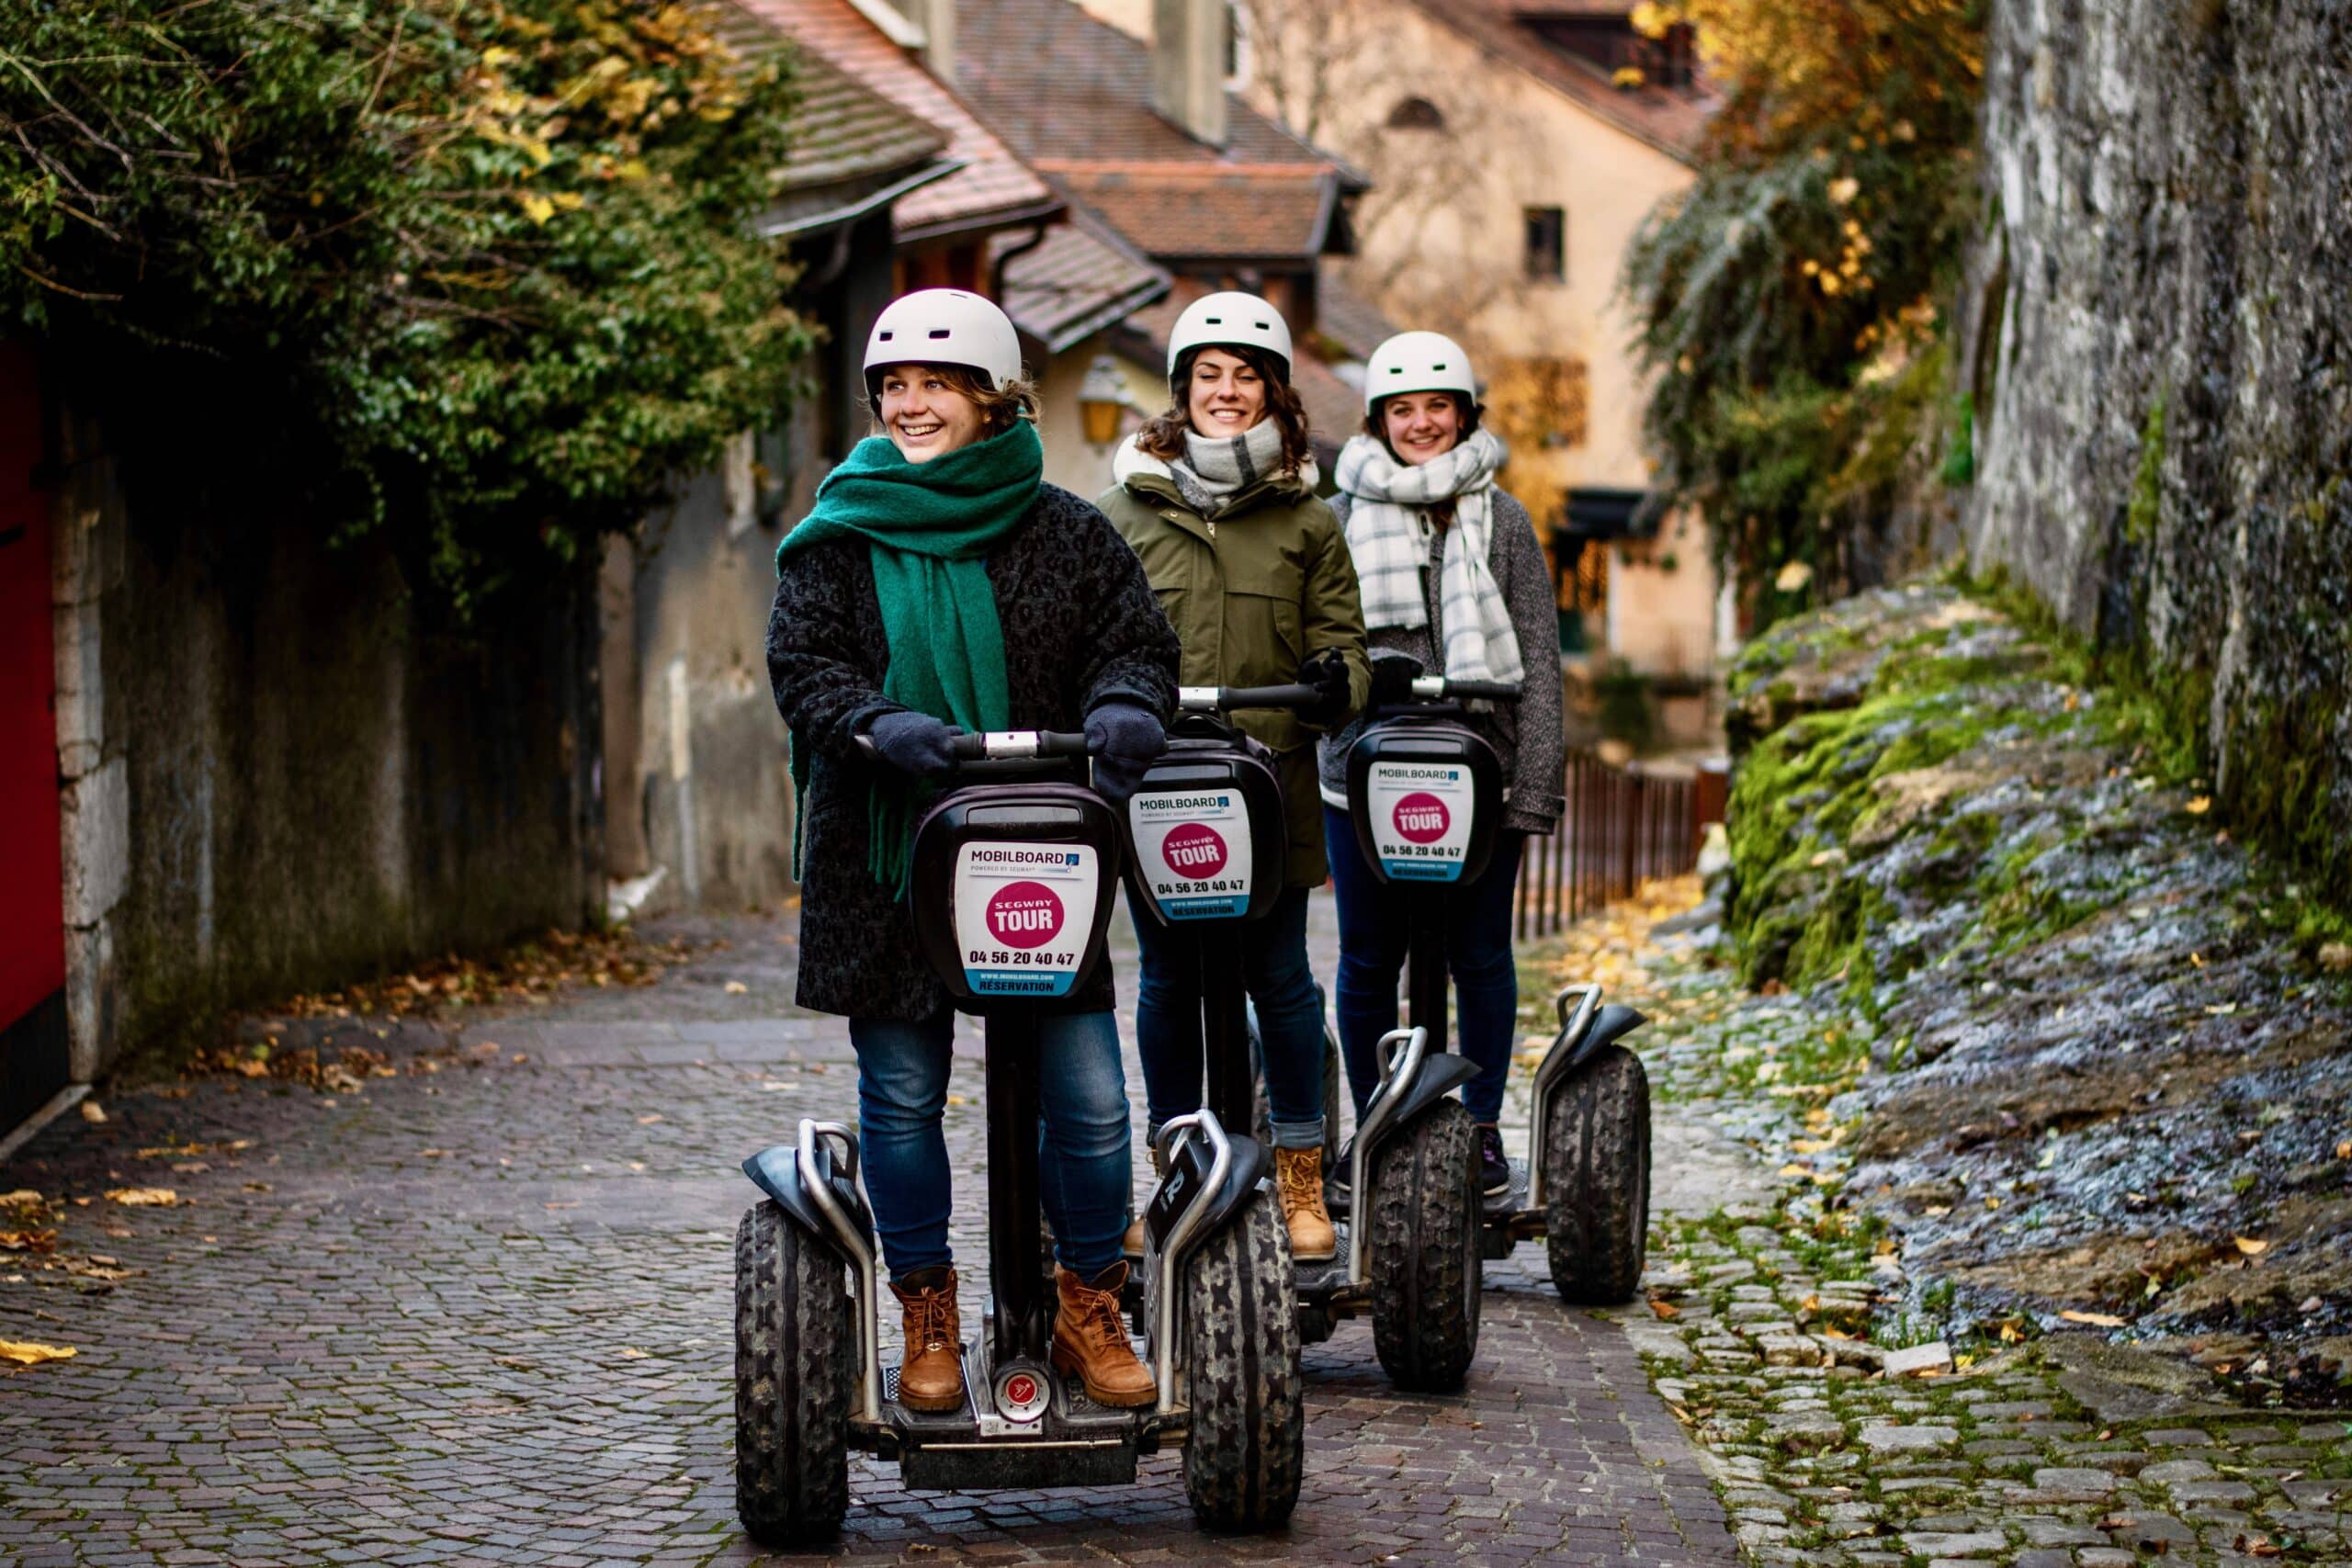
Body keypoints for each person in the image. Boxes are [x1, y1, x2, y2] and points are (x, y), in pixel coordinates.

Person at [767, 289, 1179, 1414]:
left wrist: (1128, 706)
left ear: (993, 399)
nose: (909, 405)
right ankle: (926, 1310)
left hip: (1036, 854)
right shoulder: (841, 535)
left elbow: (1135, 646)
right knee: (903, 1094)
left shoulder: (1066, 531)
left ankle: (1086, 1301)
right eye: (893, 387)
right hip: (888, 855)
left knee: (1089, 1101)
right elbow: (803, 667)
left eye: (935, 385)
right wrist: (873, 722)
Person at [1098, 290, 1370, 1264]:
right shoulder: (1123, 513)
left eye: (1244, 376)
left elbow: (1346, 646)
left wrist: (1338, 681)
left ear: (1273, 393)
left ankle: (1299, 1174)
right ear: (1181, 391)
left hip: (1271, 785)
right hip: (1160, 787)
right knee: (1169, 978)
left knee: (1280, 977)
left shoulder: (1308, 520)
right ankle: (1177, 1167)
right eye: (1207, 376)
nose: (1225, 391)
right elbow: (1093, 644)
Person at [1318, 331, 1564, 1197]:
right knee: (1367, 959)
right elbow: (1322, 645)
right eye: (1403, 409)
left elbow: (1538, 656)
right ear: (1378, 420)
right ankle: (1377, 1120)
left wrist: (1534, 789)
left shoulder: (1505, 519)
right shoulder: (1339, 517)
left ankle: (1482, 1127)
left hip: (1482, 772)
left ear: (1464, 415)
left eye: (1437, 407)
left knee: (1481, 955)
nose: (1421, 423)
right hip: (1364, 774)